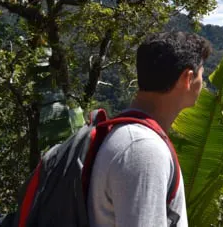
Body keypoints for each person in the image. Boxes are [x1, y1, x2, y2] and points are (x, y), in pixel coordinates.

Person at [87, 31, 213, 227]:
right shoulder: (143, 150)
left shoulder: (128, 135)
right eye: (201, 76)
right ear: (187, 79)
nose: (202, 85)